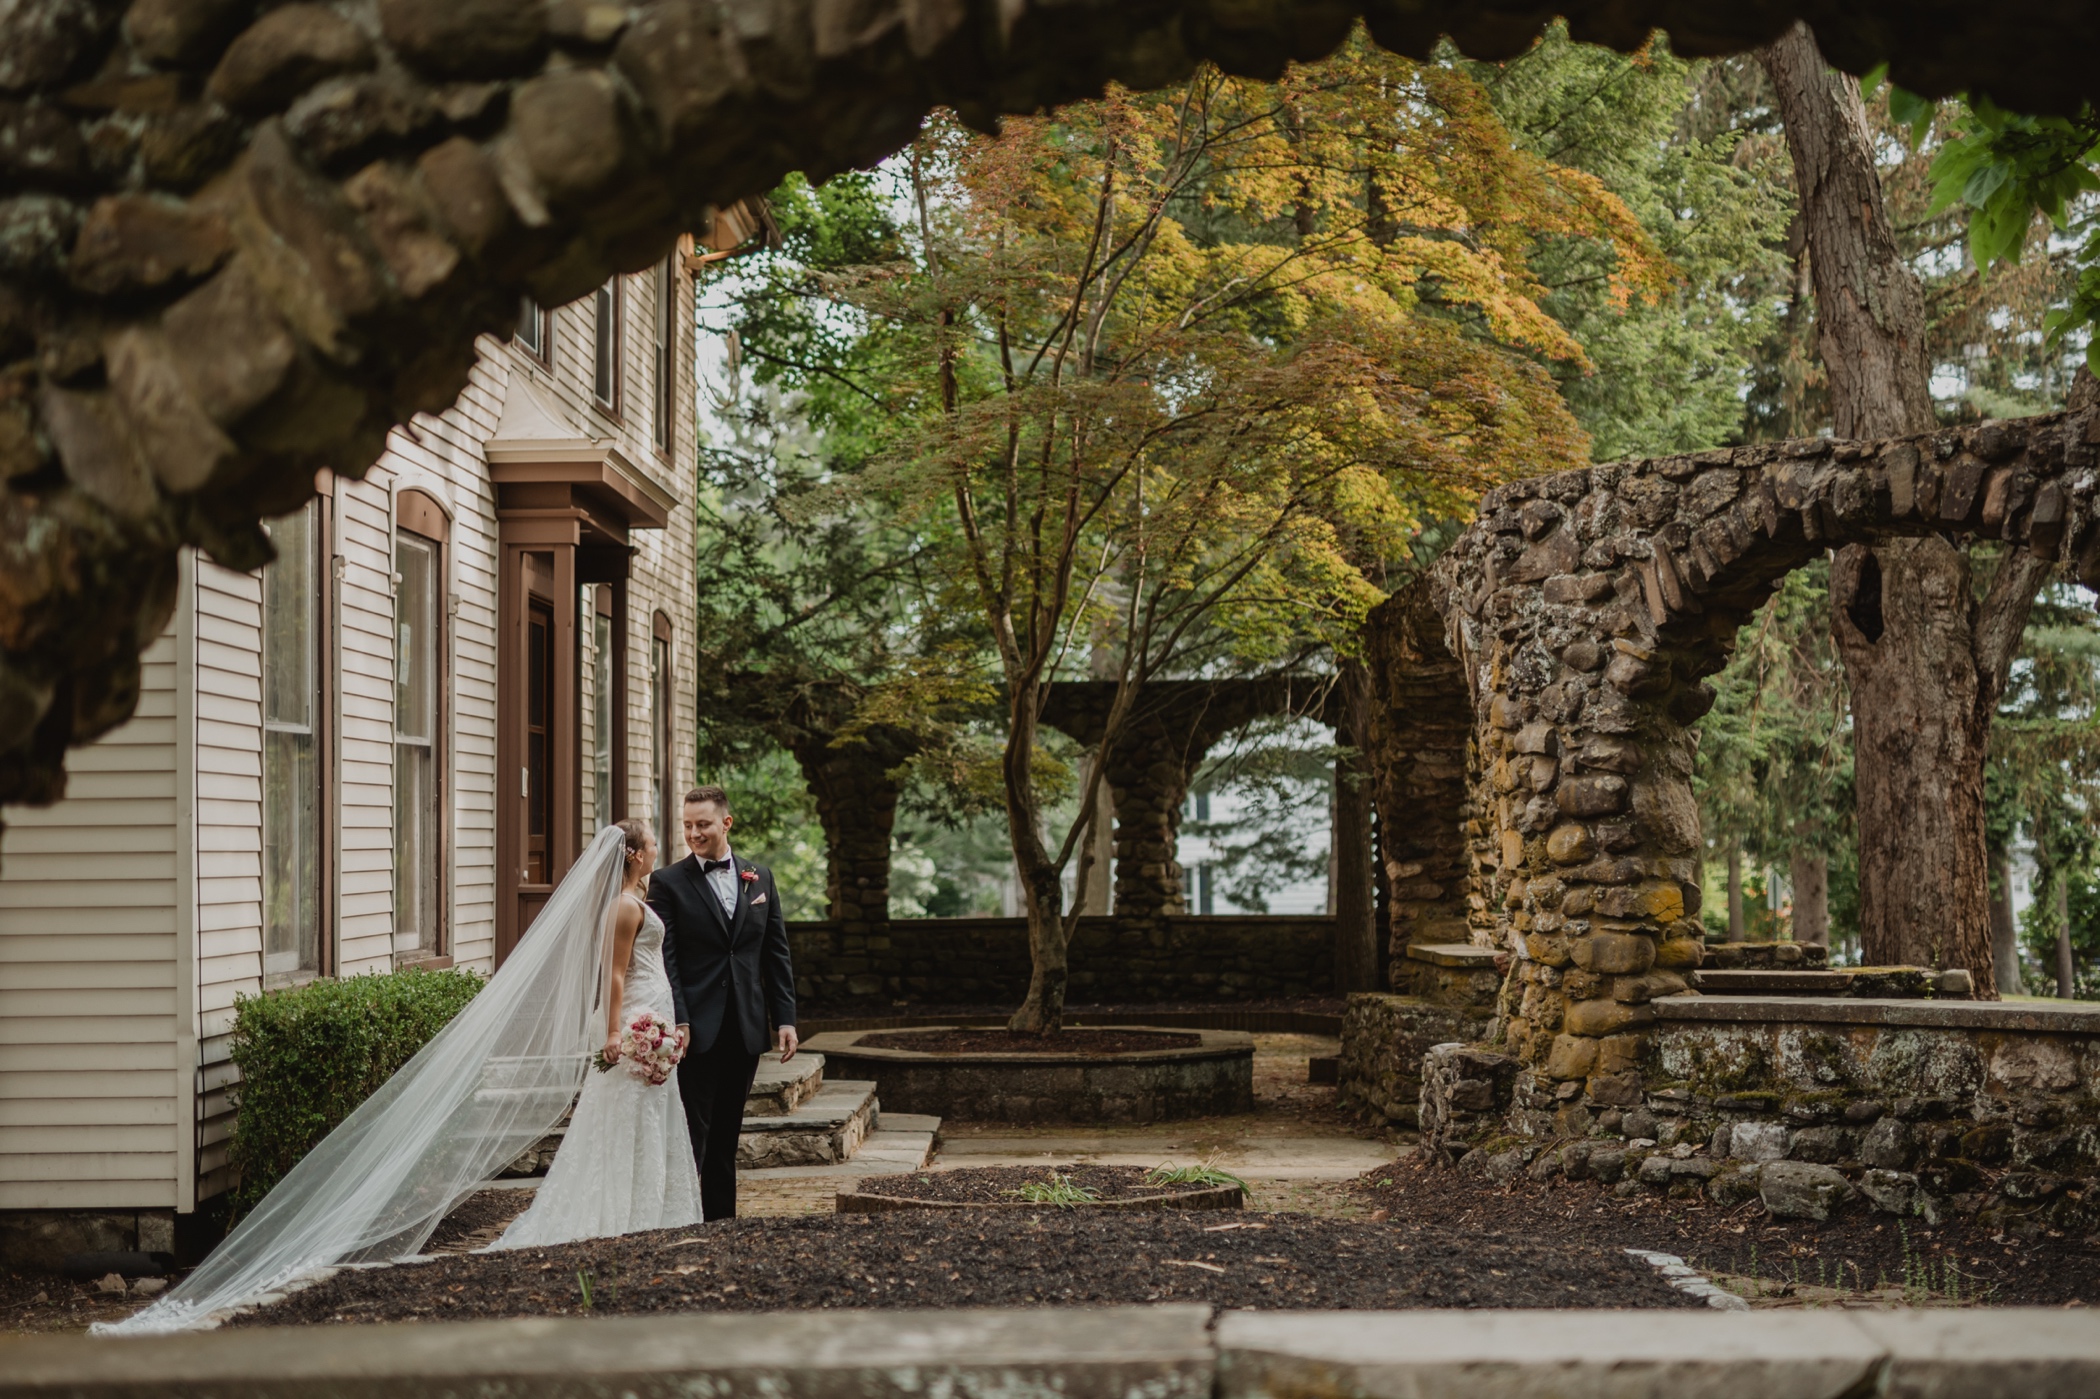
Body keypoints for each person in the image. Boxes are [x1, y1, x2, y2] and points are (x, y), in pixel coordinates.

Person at [493, 818, 702, 1248]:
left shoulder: (634, 898)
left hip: (653, 1019)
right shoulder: (623, 907)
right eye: (653, 842)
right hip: (633, 1022)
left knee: (649, 1115)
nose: (659, 847)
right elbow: (616, 974)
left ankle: (654, 1208)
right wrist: (613, 1032)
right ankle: (620, 1210)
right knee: (624, 1117)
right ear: (637, 855)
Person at [649, 785, 798, 1221]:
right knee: (694, 1131)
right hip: (695, 1030)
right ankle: (679, 1219)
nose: (693, 833)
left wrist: (784, 1017)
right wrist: (680, 1019)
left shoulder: (760, 877)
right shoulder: (668, 882)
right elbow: (667, 959)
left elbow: (776, 952)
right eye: (688, 825)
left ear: (726, 823)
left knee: (727, 1135)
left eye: (703, 825)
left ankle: (721, 1225)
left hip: (747, 1026)